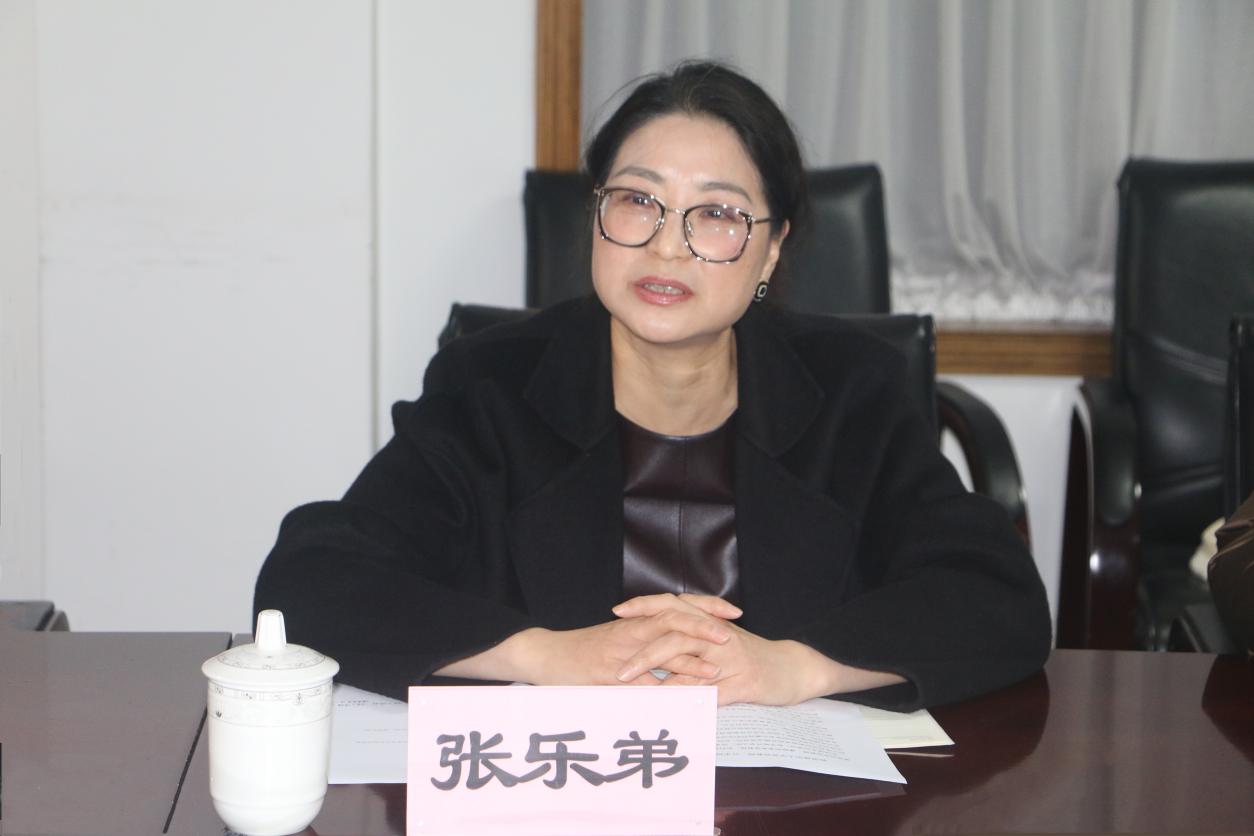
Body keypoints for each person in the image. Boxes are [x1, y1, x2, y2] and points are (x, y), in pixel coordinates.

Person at [255, 61, 1051, 710]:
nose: (668, 247)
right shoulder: (489, 385)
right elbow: (312, 578)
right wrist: (546, 657)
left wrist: (794, 669)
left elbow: (997, 595)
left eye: (717, 215)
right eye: (638, 201)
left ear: (773, 249)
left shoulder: (852, 392)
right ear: (595, 213)